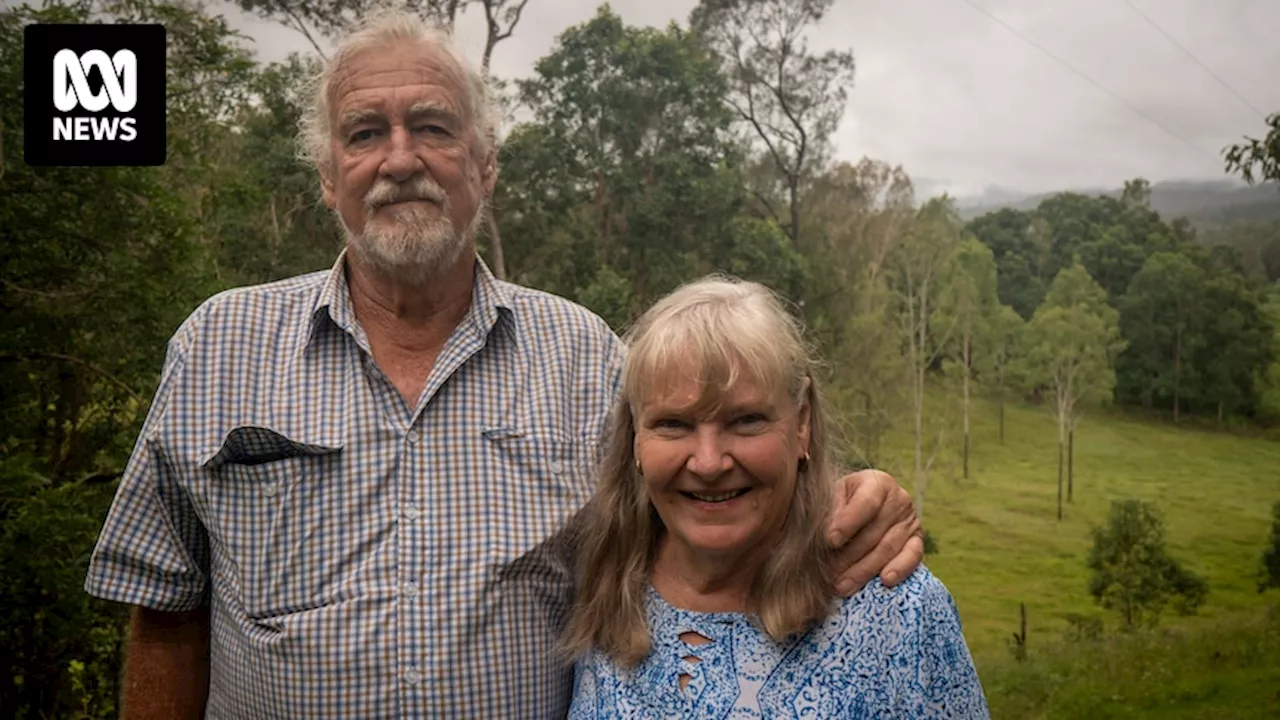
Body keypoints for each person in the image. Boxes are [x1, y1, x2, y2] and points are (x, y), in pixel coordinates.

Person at [83, 8, 924, 719]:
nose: (401, 158)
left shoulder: (588, 358)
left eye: (435, 128)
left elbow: (713, 500)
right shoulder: (217, 347)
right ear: (328, 176)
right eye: (366, 133)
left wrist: (852, 500)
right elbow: (164, 614)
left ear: (484, 167)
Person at [564, 276, 989, 718]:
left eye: (746, 420)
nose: (708, 463)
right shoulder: (604, 581)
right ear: (635, 437)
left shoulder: (899, 610)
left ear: (801, 422)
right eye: (673, 424)